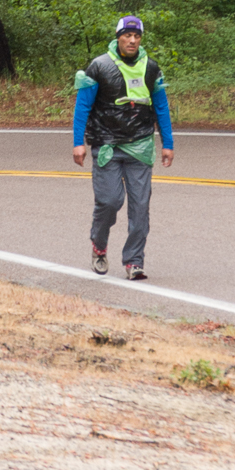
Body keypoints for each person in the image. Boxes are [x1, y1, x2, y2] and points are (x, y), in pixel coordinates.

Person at [72, 15, 174, 279]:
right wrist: (78, 143)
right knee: (110, 201)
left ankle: (134, 262)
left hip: (140, 145)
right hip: (106, 145)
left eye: (137, 36)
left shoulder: (151, 68)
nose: (132, 40)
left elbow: (161, 107)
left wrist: (167, 143)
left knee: (140, 207)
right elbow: (82, 106)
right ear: (118, 37)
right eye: (127, 35)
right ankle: (99, 245)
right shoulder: (99, 66)